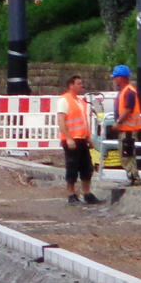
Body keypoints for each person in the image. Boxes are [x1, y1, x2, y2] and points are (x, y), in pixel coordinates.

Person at [59, 74, 99, 205]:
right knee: (72, 167)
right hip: (71, 140)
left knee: (86, 167)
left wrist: (88, 138)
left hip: (81, 139)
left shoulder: (80, 102)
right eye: (79, 84)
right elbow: (61, 121)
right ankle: (71, 194)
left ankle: (87, 193)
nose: (81, 86)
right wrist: (69, 138)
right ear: (71, 85)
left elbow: (83, 122)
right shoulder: (64, 100)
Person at [111, 64, 141, 186]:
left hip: (128, 130)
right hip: (126, 129)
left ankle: (133, 178)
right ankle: (132, 177)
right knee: (126, 154)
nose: (114, 80)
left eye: (115, 77)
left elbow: (128, 109)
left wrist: (118, 122)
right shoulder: (126, 91)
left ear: (121, 77)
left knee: (127, 154)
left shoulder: (128, 91)